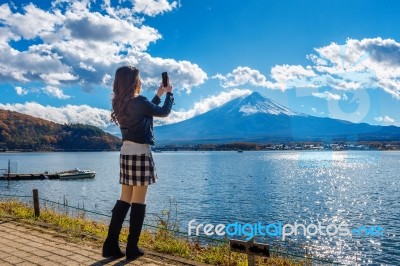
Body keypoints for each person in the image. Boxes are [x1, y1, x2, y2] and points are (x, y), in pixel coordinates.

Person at [102, 66, 174, 260]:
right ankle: (132, 248)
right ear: (134, 81)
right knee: (139, 202)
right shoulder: (139, 102)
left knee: (124, 198)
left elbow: (144, 111)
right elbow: (164, 112)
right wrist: (169, 94)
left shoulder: (119, 103)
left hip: (125, 154)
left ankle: (110, 245)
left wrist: (158, 95)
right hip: (141, 154)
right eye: (138, 78)